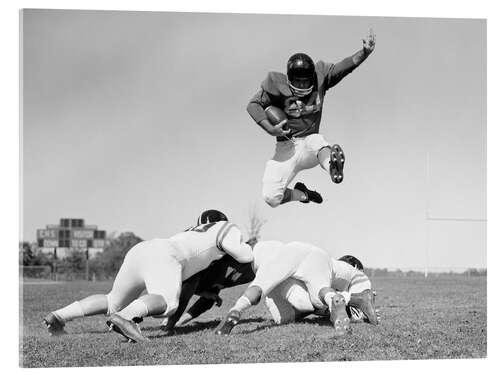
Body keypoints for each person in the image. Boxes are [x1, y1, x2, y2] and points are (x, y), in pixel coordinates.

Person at [43, 209, 253, 343]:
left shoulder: (190, 232)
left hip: (142, 249)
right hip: (166, 255)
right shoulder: (225, 227)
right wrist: (248, 248)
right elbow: (244, 255)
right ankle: (126, 317)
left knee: (111, 301)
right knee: (168, 303)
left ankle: (59, 316)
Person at [247, 29, 376, 207]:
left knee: (317, 141)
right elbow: (253, 105)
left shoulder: (320, 77)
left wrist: (364, 53)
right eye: (298, 82)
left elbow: (344, 67)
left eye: (306, 81)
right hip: (286, 147)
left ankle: (332, 165)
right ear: (289, 78)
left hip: (309, 145)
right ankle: (302, 194)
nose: (302, 85)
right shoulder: (276, 84)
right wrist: (270, 128)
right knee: (271, 197)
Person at [215, 241, 352, 336]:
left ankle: (236, 309)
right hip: (283, 258)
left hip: (262, 260)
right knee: (305, 304)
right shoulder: (339, 268)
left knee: (263, 292)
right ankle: (333, 301)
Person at [264, 254, 379, 326]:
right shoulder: (344, 273)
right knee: (317, 299)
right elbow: (356, 317)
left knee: (282, 319)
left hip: (277, 284)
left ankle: (353, 300)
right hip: (285, 279)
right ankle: (357, 299)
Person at [159, 253, 256, 332]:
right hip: (209, 275)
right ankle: (170, 321)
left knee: (207, 299)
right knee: (194, 292)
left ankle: (177, 321)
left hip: (219, 278)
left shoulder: (251, 272)